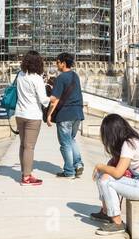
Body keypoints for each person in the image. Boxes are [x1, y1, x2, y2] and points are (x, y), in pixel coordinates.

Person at [91, 114, 139, 235]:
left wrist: (99, 166)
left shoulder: (128, 144)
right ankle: (106, 212)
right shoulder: (130, 141)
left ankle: (117, 223)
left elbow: (117, 173)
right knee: (102, 174)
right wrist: (103, 169)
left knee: (105, 180)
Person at [46, 52, 85, 179]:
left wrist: (49, 115)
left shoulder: (61, 78)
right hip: (77, 113)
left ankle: (69, 171)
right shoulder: (75, 76)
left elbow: (54, 100)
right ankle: (78, 164)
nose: (56, 65)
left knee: (65, 143)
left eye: (57, 62)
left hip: (65, 114)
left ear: (63, 63)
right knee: (72, 139)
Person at [13, 50, 49, 186]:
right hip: (32, 115)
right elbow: (43, 100)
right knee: (29, 147)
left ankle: (25, 172)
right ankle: (26, 177)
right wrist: (52, 97)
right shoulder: (37, 78)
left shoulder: (20, 75)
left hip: (20, 114)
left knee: (23, 145)